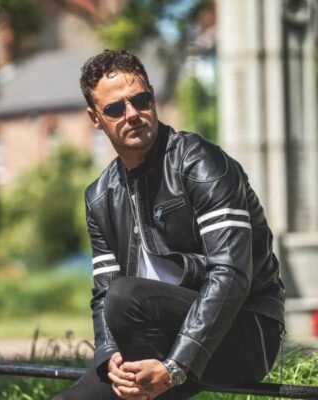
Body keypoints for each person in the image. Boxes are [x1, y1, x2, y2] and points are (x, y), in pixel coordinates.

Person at [53, 49, 285, 400]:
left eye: (140, 100)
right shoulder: (100, 197)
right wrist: (110, 357)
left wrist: (176, 366)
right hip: (152, 339)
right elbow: (102, 292)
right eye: (115, 109)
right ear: (95, 118)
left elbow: (232, 275)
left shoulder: (201, 163)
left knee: (126, 296)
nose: (132, 114)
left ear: (152, 98)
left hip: (244, 333)